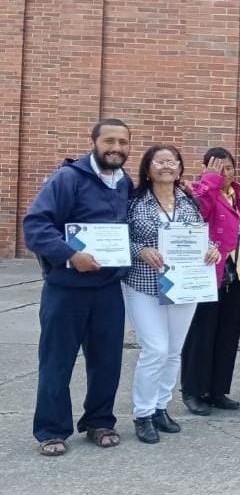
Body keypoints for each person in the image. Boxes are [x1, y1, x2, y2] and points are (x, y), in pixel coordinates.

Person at [24, 119, 134, 456]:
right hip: (66, 289)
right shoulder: (67, 179)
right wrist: (71, 255)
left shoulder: (124, 183)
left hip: (107, 289)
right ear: (94, 143)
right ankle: (51, 430)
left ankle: (99, 421)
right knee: (57, 361)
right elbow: (35, 227)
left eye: (123, 142)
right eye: (109, 141)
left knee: (107, 360)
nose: (116, 148)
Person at [124, 145, 220, 444]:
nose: (166, 166)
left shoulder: (188, 202)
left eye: (172, 161)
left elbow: (201, 236)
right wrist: (141, 250)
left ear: (179, 167)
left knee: (175, 349)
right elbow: (118, 239)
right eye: (159, 161)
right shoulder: (134, 201)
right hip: (144, 284)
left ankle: (160, 408)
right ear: (148, 167)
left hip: (183, 285)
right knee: (155, 348)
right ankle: (142, 413)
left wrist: (212, 248)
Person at [181, 148, 240, 416]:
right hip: (210, 275)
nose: (225, 174)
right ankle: (193, 391)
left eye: (229, 168)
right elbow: (198, 216)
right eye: (218, 168)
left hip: (239, 274)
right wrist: (209, 181)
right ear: (206, 169)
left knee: (227, 336)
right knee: (201, 335)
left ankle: (217, 390)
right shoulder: (198, 193)